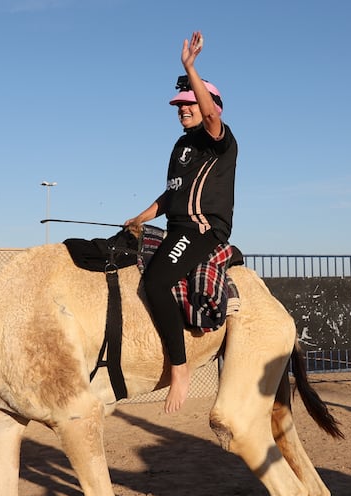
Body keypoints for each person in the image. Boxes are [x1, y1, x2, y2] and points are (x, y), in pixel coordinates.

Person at [125, 31, 237, 413]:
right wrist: (139, 217)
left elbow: (210, 115)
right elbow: (171, 193)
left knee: (156, 282)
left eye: (188, 102)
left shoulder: (217, 138)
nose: (182, 109)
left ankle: (180, 367)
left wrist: (190, 67)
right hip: (175, 229)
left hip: (202, 230)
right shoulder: (181, 145)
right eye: (179, 104)